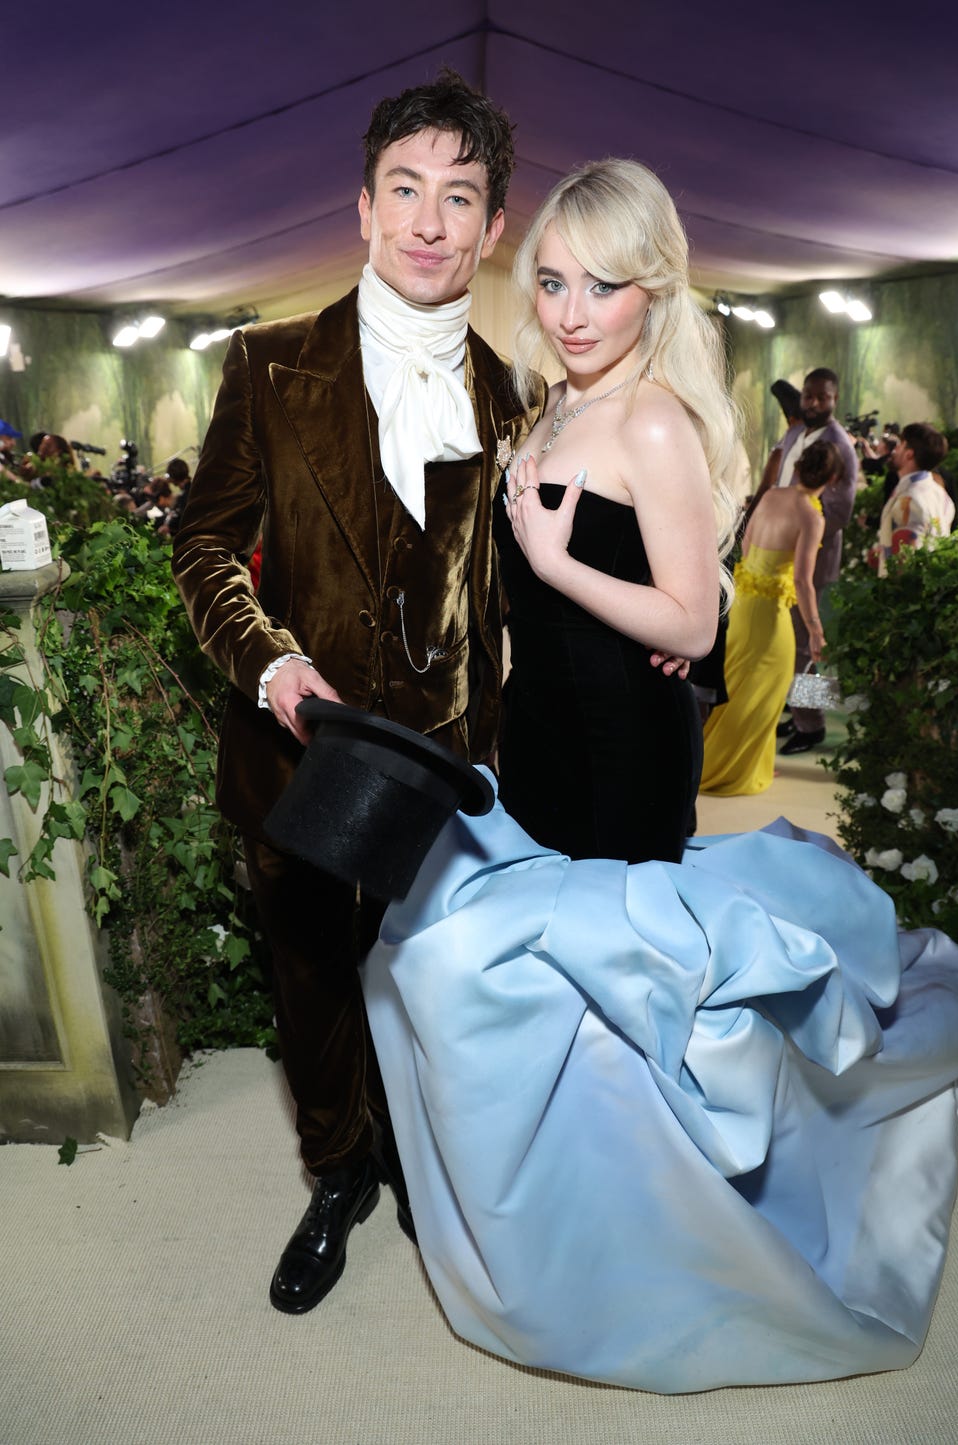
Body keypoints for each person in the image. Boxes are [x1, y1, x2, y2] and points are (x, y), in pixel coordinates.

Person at [172, 70, 540, 1316]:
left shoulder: (511, 397)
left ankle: (431, 1162)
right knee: (314, 975)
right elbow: (204, 543)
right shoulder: (269, 366)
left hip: (445, 760)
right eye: (405, 191)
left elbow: (506, 594)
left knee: (433, 973)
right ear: (363, 207)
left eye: (459, 198)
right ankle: (338, 1174)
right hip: (300, 749)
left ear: (493, 229)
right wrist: (269, 660)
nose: (429, 222)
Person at [494, 158, 740, 865]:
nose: (571, 316)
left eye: (604, 287)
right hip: (537, 726)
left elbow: (692, 627)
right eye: (552, 283)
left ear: (654, 291)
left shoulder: (653, 420)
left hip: (622, 741)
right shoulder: (554, 403)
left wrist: (556, 565)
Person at [700, 439, 844, 795]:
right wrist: (815, 630)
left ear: (799, 466)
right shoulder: (811, 514)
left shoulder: (771, 496)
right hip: (769, 614)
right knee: (767, 686)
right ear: (834, 477)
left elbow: (745, 548)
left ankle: (722, 761)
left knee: (734, 682)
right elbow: (801, 580)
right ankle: (735, 768)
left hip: (743, 601)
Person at [752, 368, 857, 755]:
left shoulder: (841, 445)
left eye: (821, 397)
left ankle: (812, 726)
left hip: (807, 561)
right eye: (808, 396)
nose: (812, 403)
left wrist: (796, 538)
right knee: (784, 645)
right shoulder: (795, 432)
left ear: (834, 399)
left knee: (807, 648)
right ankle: (797, 715)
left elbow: (841, 510)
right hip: (775, 560)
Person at [871, 422, 954, 574]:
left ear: (909, 453)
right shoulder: (940, 494)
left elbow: (904, 566)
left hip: (904, 595)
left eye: (900, 445)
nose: (894, 450)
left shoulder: (910, 500)